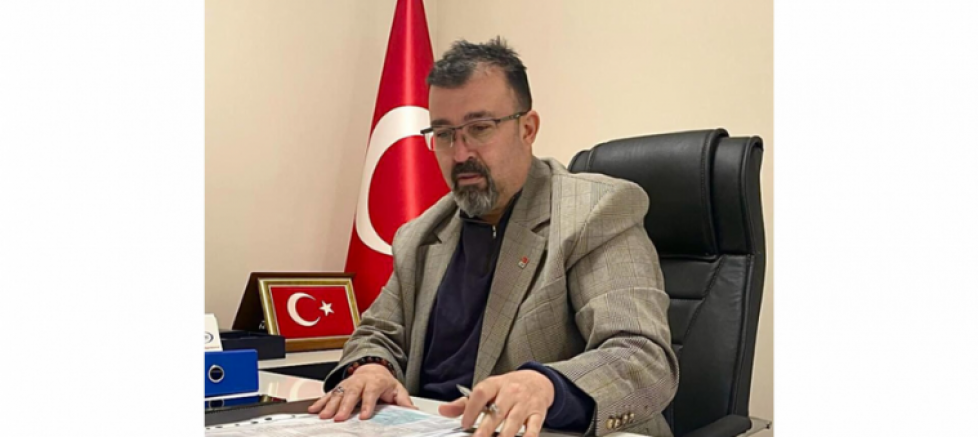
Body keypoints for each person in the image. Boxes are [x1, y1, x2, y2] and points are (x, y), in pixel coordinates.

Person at [308, 37, 679, 437]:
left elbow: (642, 357)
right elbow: (377, 333)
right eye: (444, 134)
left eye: (480, 128)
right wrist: (371, 368)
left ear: (527, 128)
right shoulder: (420, 235)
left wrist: (547, 386)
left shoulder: (593, 212)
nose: (460, 153)